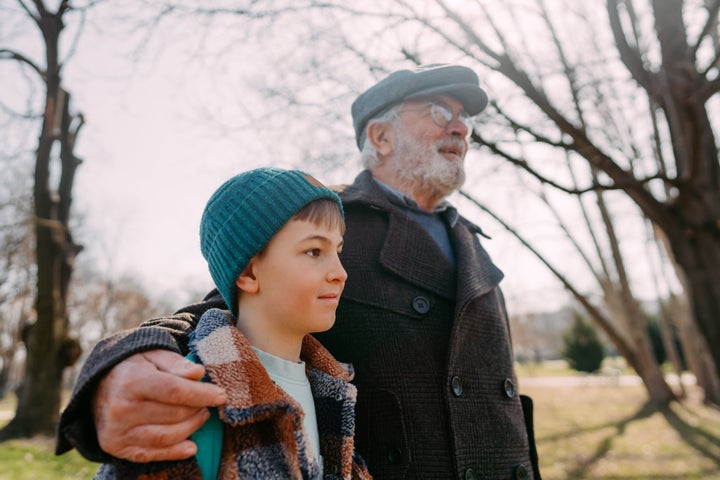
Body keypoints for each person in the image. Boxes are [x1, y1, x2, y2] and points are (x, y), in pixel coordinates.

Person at [57, 64, 541, 479]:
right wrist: (129, 359)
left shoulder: (474, 241)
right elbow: (231, 304)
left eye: (465, 120)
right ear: (381, 136)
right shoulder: (330, 221)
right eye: (440, 112)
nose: (459, 127)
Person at [90, 168, 371, 479]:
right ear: (248, 274)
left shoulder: (333, 393)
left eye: (338, 251)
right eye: (314, 251)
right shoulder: (187, 398)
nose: (339, 272)